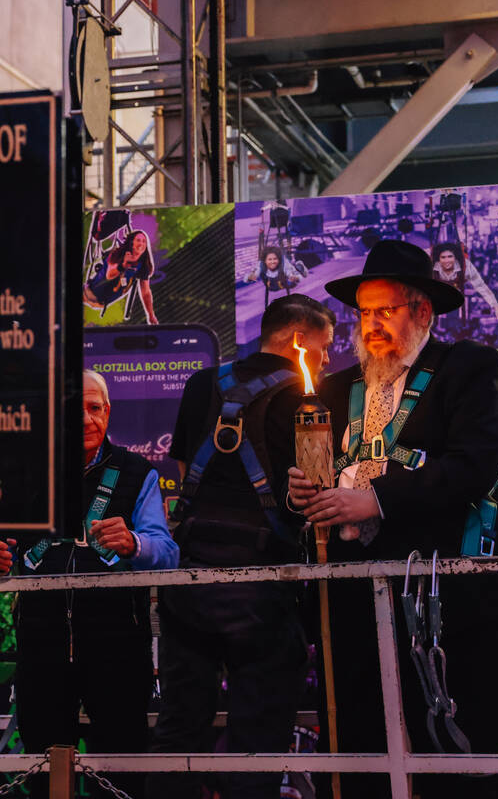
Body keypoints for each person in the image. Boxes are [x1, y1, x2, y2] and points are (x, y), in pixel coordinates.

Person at [288, 239, 498, 799]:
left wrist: (378, 498)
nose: (371, 325)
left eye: (385, 310)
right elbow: (328, 477)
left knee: (452, 749)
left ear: (423, 311)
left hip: (449, 598)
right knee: (365, 743)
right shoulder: (340, 388)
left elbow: (475, 462)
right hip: (357, 599)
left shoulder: (466, 367)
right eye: (364, 313)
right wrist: (306, 493)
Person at [147, 294, 334, 799]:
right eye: (323, 347)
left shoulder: (203, 383)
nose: (326, 360)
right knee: (258, 733)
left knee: (180, 725)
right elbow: (316, 493)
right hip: (264, 586)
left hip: (190, 582)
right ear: (298, 340)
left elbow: (185, 477)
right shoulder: (309, 396)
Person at [0, 370, 178, 798]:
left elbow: (168, 551)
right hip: (41, 648)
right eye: (75, 409)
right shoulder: (24, 474)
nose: (87, 419)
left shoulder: (136, 472)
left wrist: (134, 543)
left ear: (108, 412)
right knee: (44, 772)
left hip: (120, 649)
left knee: (120, 771)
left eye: (96, 408)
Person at [83, 230, 159, 323]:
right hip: (89, 293)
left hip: (101, 304)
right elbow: (109, 275)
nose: (141, 244)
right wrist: (123, 265)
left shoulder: (143, 265)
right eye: (138, 240)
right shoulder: (118, 253)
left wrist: (150, 315)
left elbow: (146, 293)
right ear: (132, 243)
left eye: (144, 241)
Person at [431, 241, 498, 323]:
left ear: (455, 258)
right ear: (439, 259)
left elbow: (481, 286)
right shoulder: (431, 266)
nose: (447, 261)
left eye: (450, 257)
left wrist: (496, 306)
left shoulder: (466, 267)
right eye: (443, 257)